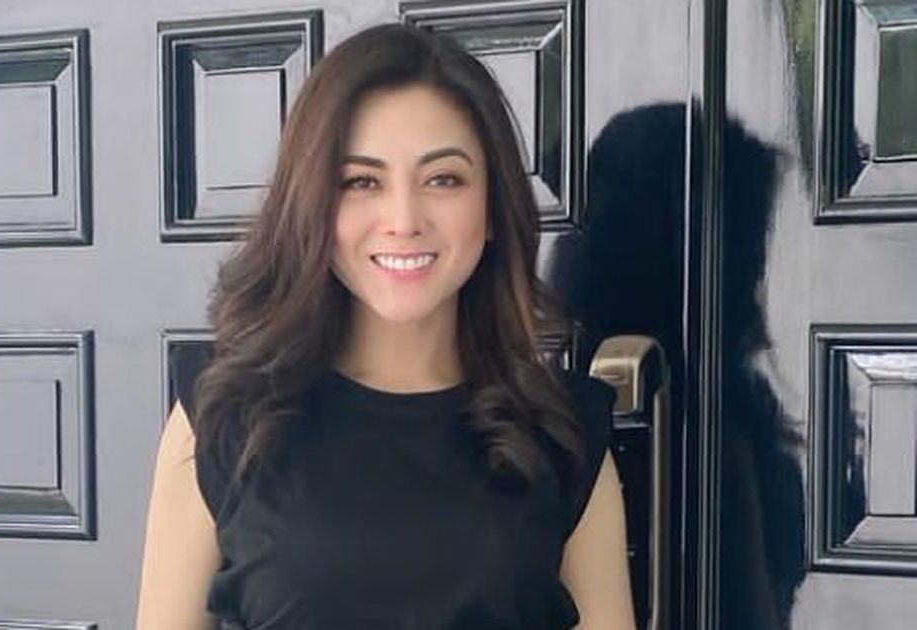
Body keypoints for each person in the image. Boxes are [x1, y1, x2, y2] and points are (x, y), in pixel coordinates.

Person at [136, 22, 635, 630]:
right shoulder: (221, 414)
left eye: (443, 179)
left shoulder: (563, 430)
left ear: (493, 208)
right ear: (312, 206)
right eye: (362, 181)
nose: (403, 219)